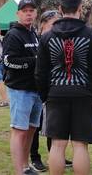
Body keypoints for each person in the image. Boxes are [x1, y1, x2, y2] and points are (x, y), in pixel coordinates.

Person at [36, 0, 92, 175]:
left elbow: (40, 72)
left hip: (55, 94)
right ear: (80, 9)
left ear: (60, 9)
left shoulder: (46, 37)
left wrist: (45, 96)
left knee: (57, 145)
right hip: (85, 95)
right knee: (80, 145)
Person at [3, 0, 41, 175]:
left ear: (36, 13)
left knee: (31, 131)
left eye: (31, 10)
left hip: (36, 90)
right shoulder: (13, 35)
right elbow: (8, 62)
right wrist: (34, 62)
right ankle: (19, 171)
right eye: (25, 10)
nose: (28, 13)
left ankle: (26, 166)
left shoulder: (34, 33)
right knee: (19, 131)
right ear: (18, 13)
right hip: (20, 90)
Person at [29, 10, 61, 173]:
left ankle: (54, 155)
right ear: (43, 24)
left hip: (54, 89)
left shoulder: (58, 40)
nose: (57, 28)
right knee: (36, 124)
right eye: (53, 24)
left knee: (53, 125)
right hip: (37, 89)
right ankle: (34, 157)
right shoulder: (38, 40)